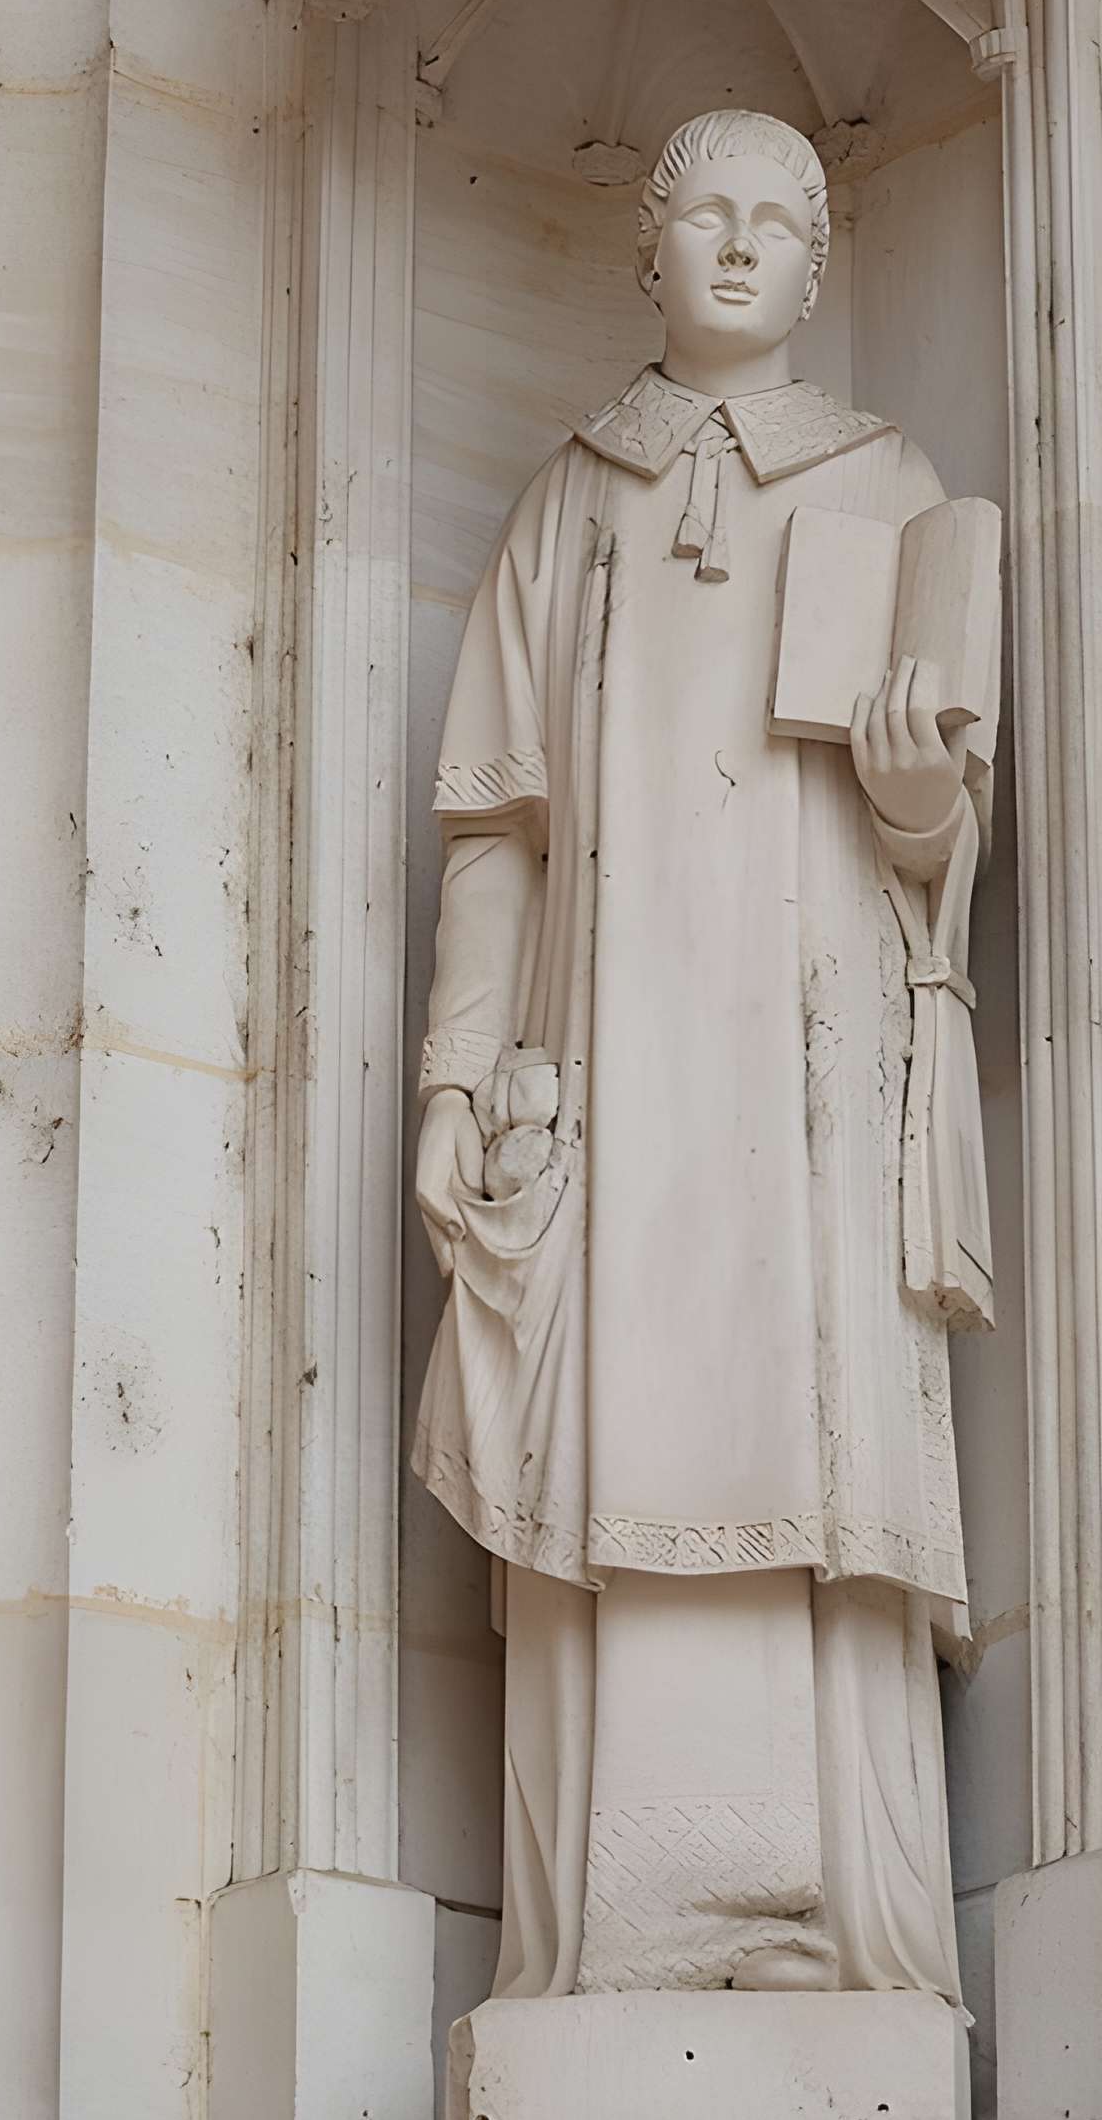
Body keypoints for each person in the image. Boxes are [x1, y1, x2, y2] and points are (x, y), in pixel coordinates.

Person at [411, 108, 994, 2003]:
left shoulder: (890, 478)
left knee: (808, 1425)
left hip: (807, 1070)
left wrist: (921, 805)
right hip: (606, 1062)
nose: (740, 248)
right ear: (645, 250)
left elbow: (944, 844)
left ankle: (826, 1921)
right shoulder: (568, 501)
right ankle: (607, 1942)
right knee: (595, 1432)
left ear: (822, 265)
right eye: (706, 217)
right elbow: (497, 823)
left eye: (779, 221)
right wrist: (452, 1076)